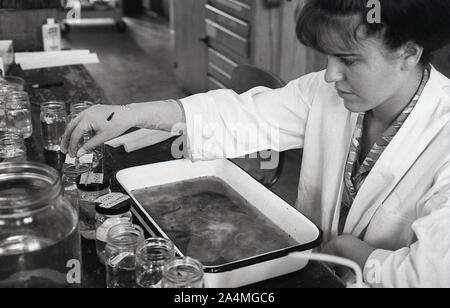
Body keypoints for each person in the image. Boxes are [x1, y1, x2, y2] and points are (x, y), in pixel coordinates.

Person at [61, 0, 450, 287]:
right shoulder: (328, 93)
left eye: (348, 59)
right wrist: (129, 113)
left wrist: (354, 252)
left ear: (408, 53)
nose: (330, 75)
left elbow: (427, 276)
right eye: (327, 57)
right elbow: (243, 115)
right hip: (308, 271)